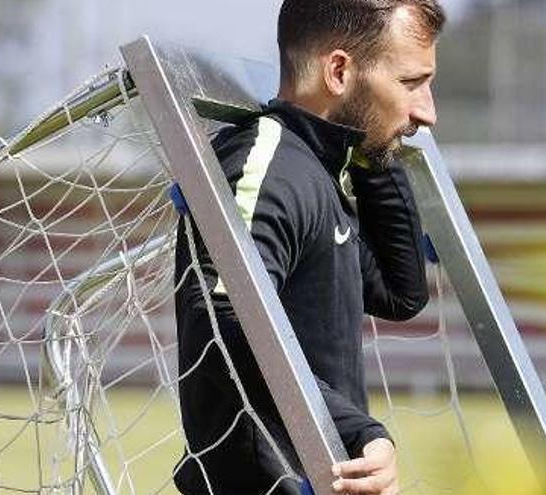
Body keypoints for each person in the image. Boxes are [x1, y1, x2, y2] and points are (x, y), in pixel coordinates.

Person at [173, 1, 446, 493]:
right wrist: (357, 432)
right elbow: (217, 319)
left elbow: (399, 294)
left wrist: (367, 150)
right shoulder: (267, 163)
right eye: (411, 84)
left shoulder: (318, 171)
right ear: (339, 70)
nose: (427, 111)